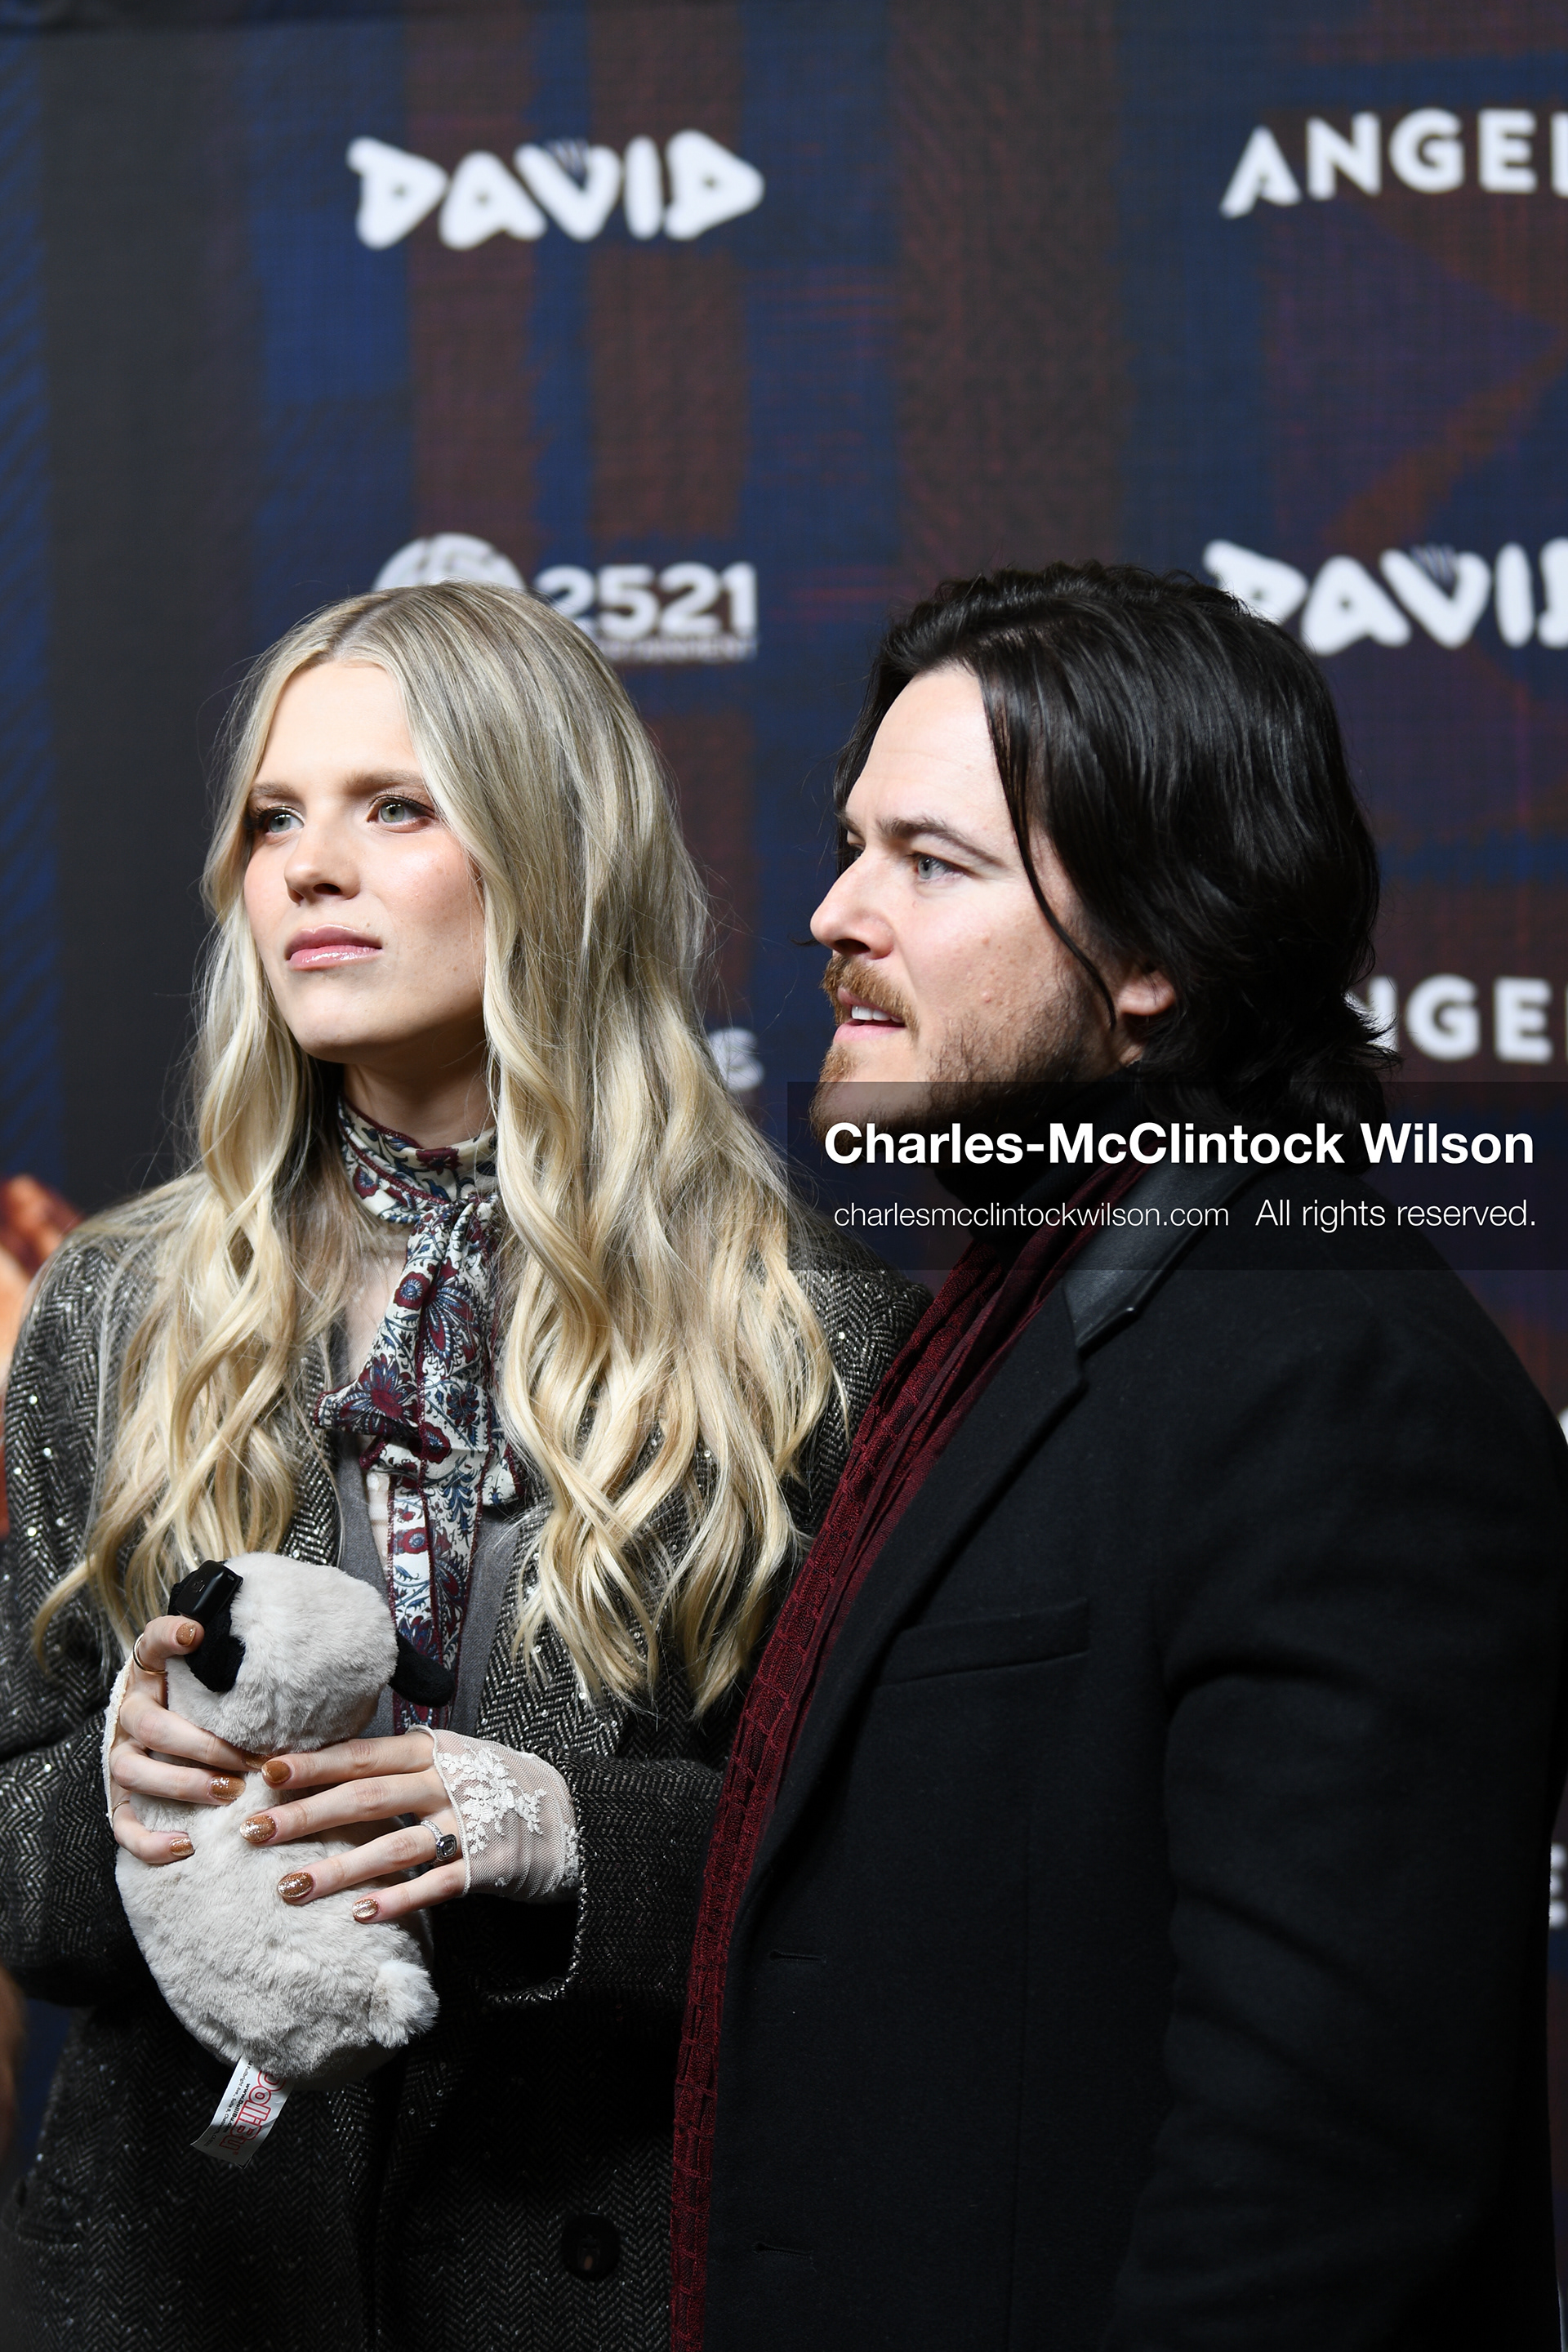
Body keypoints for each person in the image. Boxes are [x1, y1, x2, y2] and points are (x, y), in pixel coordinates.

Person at [0, 581, 924, 2352]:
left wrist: (567, 1836)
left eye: (394, 809)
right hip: (187, 2284)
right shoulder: (112, 1305)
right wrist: (111, 1809)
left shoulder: (811, 1328)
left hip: (607, 2276)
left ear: (551, 857)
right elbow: (14, 1849)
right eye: (276, 818)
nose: (308, 869)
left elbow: (887, 1878)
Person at [673, 565, 1568, 2351]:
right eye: (854, 846)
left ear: (1156, 953)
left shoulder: (1332, 1379)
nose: (837, 913)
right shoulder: (1014, 1322)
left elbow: (1314, 2197)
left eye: (934, 863)